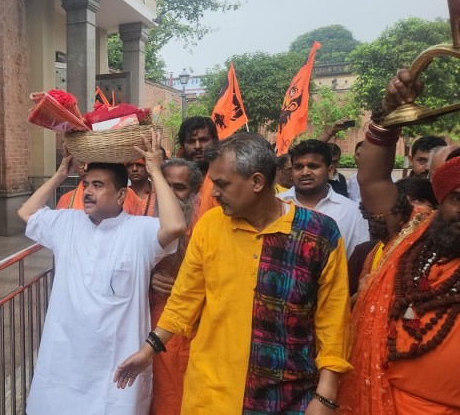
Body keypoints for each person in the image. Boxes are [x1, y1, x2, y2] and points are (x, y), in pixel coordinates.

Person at [115, 132, 352, 413]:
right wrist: (148, 351)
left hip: (288, 393)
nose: (213, 193)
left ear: (256, 182)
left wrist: (326, 393)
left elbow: (333, 317)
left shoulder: (319, 233)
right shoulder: (210, 226)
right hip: (212, 392)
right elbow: (185, 298)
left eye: (222, 184)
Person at [18, 132, 186, 415]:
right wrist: (60, 174)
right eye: (86, 184)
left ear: (121, 195)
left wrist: (155, 170)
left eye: (98, 185)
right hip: (64, 361)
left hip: (114, 367)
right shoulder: (67, 223)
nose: (87, 192)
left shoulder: (139, 231)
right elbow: (26, 212)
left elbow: (175, 226)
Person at [338, 69, 460, 414]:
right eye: (458, 199)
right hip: (376, 401)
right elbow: (373, 178)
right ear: (441, 200)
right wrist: (388, 115)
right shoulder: (411, 232)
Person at [147, 158, 202, 415]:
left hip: (196, 330)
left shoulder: (209, 228)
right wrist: (146, 279)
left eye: (178, 188)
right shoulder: (141, 226)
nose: (170, 196)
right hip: (151, 328)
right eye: (165, 187)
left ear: (195, 192)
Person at [278, 139, 369, 258]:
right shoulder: (276, 204)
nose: (305, 172)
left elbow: (359, 260)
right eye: (298, 167)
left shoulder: (352, 212)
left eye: (313, 166)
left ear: (330, 171)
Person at [176, 117, 219, 221]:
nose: (198, 146)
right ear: (182, 146)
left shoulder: (224, 177)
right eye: (191, 141)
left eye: (203, 140)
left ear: (215, 141)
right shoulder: (176, 179)